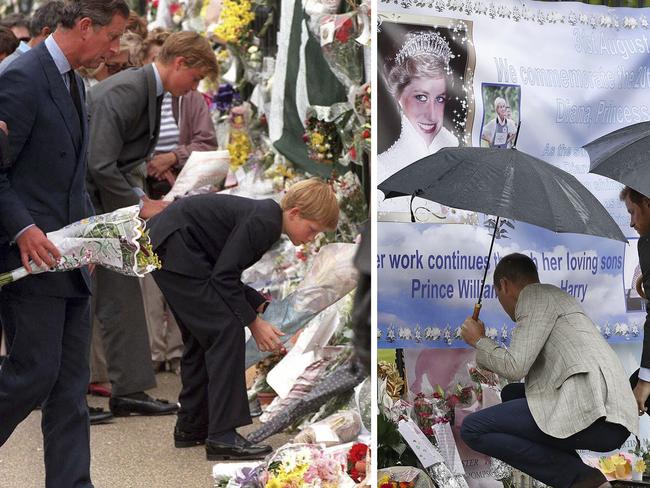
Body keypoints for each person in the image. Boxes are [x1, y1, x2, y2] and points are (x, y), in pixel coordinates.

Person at [0, 1, 129, 486]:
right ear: (83, 26)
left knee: (71, 386)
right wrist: (22, 229)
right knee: (34, 373)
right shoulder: (21, 76)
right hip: (29, 255)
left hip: (70, 254)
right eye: (112, 37)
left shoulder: (74, 79)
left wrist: (91, 235)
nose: (115, 50)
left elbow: (71, 177)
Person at [147, 179, 339, 460]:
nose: (311, 238)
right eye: (312, 229)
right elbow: (223, 277)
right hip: (175, 248)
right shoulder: (265, 223)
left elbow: (223, 270)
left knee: (204, 337)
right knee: (226, 331)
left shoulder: (266, 217)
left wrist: (255, 302)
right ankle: (222, 435)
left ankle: (192, 425)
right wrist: (254, 323)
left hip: (172, 245)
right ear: (295, 213)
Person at [86, 30, 219, 417]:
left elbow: (117, 162)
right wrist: (138, 203)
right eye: (194, 79)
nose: (193, 89)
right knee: (86, 300)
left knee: (122, 294)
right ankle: (70, 396)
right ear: (180, 63)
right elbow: (99, 163)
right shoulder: (127, 91)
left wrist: (138, 199)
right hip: (93, 204)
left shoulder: (147, 91)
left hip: (112, 203)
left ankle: (128, 388)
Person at [459, 253, 638, 488]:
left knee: (473, 429)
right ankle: (581, 475)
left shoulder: (532, 297)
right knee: (512, 393)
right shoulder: (556, 298)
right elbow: (524, 371)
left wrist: (479, 341)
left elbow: (515, 366)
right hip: (612, 414)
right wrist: (482, 343)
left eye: (498, 295)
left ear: (504, 285)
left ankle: (580, 477)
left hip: (593, 410)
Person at [378, 30, 459, 221]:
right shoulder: (383, 169)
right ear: (397, 98)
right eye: (421, 97)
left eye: (439, 99)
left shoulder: (457, 164)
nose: (432, 114)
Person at [620, 186, 650, 415]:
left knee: (637, 389)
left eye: (632, 212)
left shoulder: (647, 243)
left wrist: (645, 380)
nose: (631, 222)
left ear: (647, 204)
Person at [0, 1, 64, 75]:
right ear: (46, 33)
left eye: (25, 40)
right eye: (12, 39)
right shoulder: (9, 67)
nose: (16, 45)